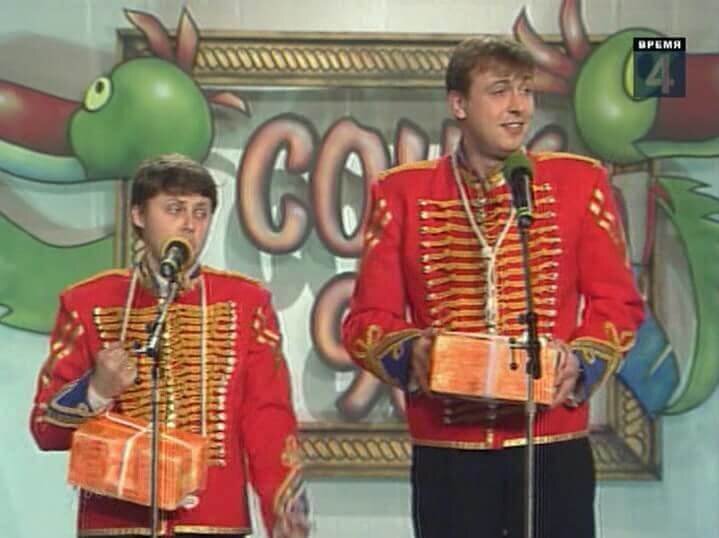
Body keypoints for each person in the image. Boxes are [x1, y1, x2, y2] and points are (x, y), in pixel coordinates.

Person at [342, 37, 644, 538]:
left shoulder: (578, 182)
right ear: (459, 104)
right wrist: (413, 353)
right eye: (500, 91)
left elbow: (619, 303)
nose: (519, 106)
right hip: (449, 454)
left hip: (552, 448)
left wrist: (579, 362)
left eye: (526, 90)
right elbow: (364, 322)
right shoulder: (402, 192)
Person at [30, 154, 309, 538]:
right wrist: (97, 391)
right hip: (116, 525)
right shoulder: (86, 301)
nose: (189, 225)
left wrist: (286, 520)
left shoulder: (246, 303)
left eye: (201, 212)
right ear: (138, 215)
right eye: (174, 209)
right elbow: (45, 429)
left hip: (213, 523)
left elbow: (269, 422)